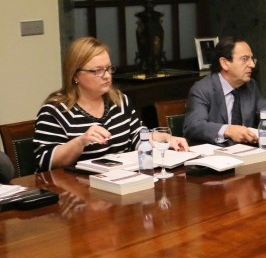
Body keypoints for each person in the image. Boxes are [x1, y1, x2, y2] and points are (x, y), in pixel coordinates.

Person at [34, 37, 188, 171]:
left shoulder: (119, 101)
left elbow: (137, 136)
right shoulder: (55, 111)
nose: (107, 76)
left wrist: (165, 139)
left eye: (108, 69)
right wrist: (81, 141)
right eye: (97, 71)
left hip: (120, 180)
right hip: (75, 188)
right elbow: (46, 162)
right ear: (75, 75)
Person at [184, 37, 266, 144]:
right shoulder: (202, 89)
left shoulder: (250, 86)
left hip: (247, 150)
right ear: (224, 63)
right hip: (216, 151)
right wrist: (228, 130)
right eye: (244, 59)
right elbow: (193, 126)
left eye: (252, 59)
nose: (252, 65)